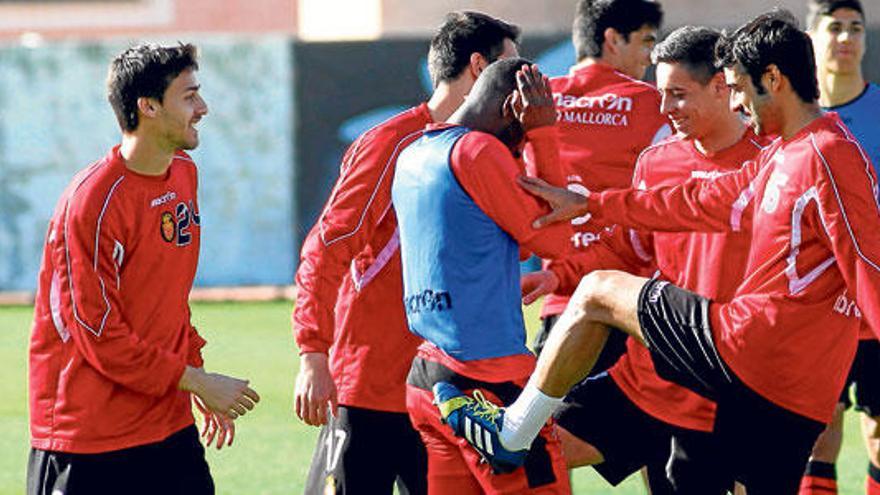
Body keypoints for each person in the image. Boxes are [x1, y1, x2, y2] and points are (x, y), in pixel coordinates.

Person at [437, 9, 880, 493]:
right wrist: (590, 210)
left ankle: (512, 428)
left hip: (749, 350)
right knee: (561, 440)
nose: (738, 104)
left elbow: (869, 263)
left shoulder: (825, 154)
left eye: (738, 89)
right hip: (756, 380)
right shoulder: (782, 153)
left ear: (771, 79)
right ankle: (514, 436)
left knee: (599, 292)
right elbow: (703, 202)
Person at [520, 26, 766, 492]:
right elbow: (627, 249)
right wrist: (556, 277)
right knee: (529, 451)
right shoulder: (656, 161)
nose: (665, 109)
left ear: (721, 87)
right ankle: (516, 421)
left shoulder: (770, 162)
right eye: (660, 94)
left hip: (729, 386)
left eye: (677, 95)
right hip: (652, 370)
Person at [292, 11, 520, 494]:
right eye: (511, 71)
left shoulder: (490, 153)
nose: (520, 87)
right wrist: (313, 351)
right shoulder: (390, 142)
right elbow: (328, 244)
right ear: (480, 68)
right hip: (371, 386)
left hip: (449, 388)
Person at [27, 43, 260, 495]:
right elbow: (96, 332)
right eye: (189, 96)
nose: (203, 108)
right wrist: (198, 381)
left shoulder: (184, 174)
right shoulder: (93, 202)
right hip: (89, 439)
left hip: (168, 425)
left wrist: (195, 375)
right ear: (148, 106)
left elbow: (167, 298)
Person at [393, 59, 572, 493]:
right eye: (526, 126)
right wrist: (545, 135)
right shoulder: (478, 151)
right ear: (516, 108)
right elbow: (554, 242)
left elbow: (494, 239)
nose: (523, 142)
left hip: (427, 378)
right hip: (487, 384)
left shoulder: (413, 152)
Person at [528, 0, 669, 370]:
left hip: (559, 301)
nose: (649, 58)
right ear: (612, 39)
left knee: (548, 425)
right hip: (632, 304)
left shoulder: (537, 103)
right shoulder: (654, 105)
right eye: (646, 42)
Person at [800, 1, 880, 492]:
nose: (846, 39)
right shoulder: (795, 117)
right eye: (835, 28)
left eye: (856, 28)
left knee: (878, 435)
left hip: (875, 303)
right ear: (812, 38)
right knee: (818, 432)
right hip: (816, 306)